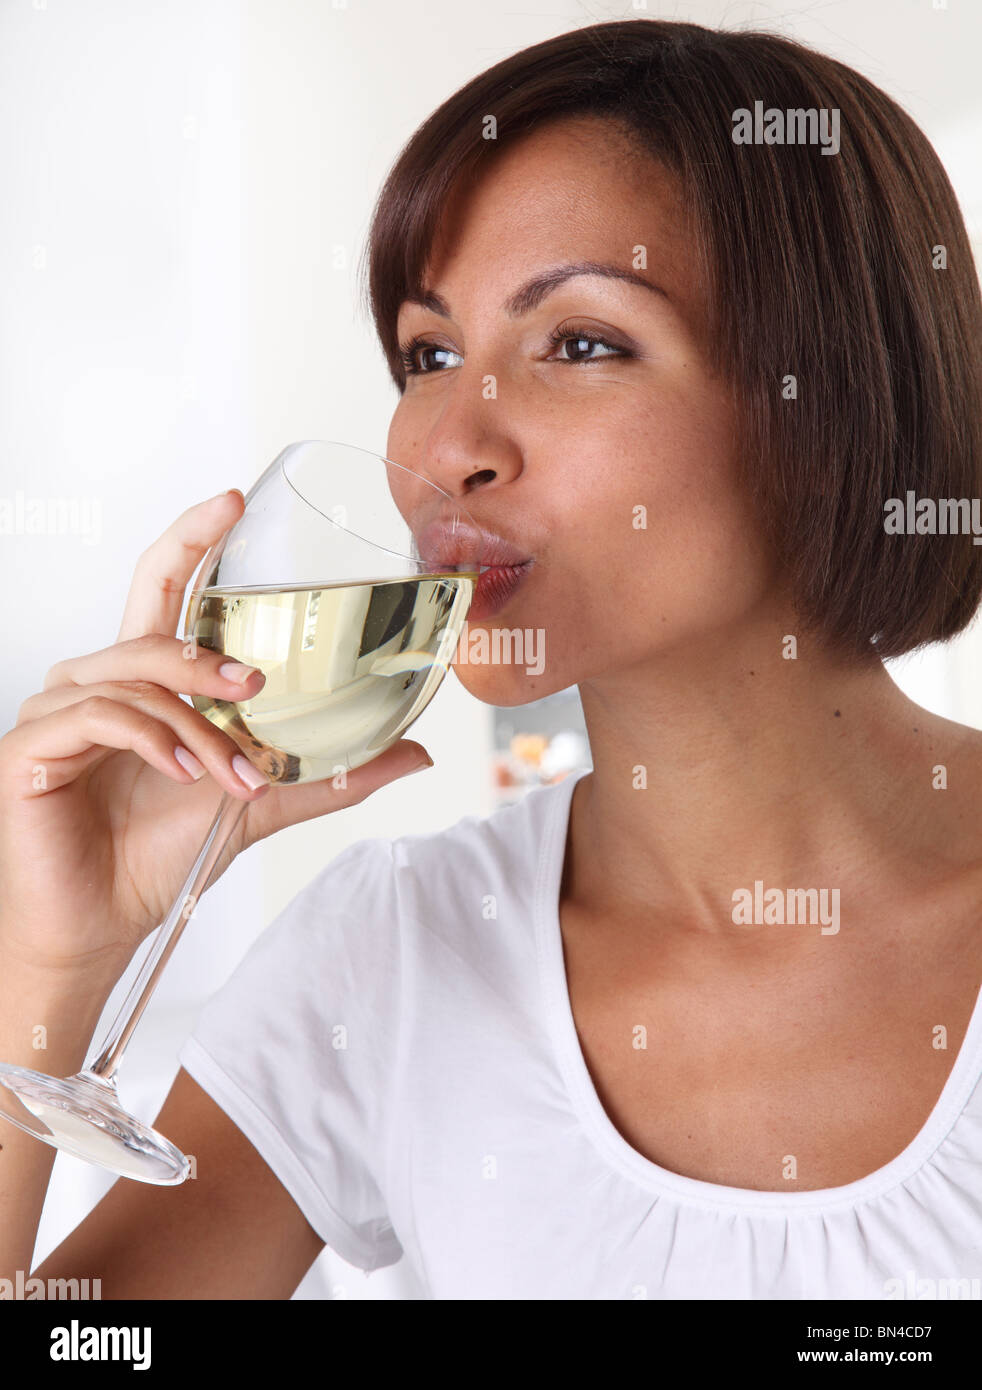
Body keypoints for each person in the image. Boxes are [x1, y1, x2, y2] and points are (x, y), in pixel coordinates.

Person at [2, 17, 981, 1300]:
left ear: (832, 403)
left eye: (579, 343)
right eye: (429, 353)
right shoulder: (390, 954)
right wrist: (53, 961)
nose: (449, 440)